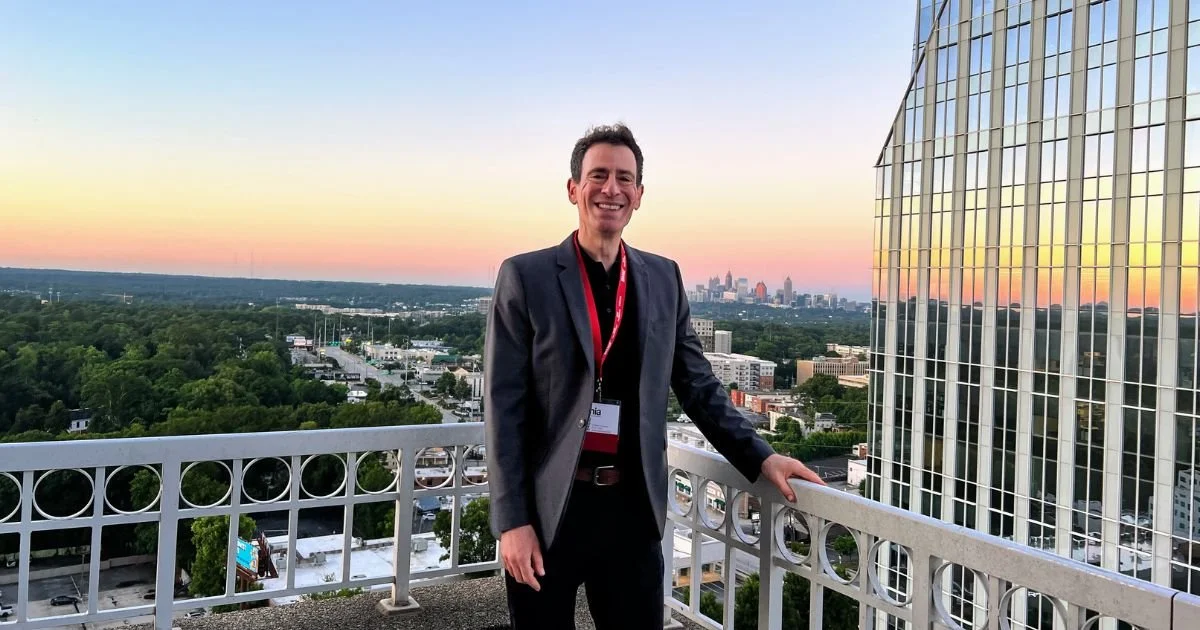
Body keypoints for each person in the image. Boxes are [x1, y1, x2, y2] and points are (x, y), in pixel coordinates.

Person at [484, 123, 824, 629]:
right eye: (598, 175)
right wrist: (512, 521)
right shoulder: (526, 277)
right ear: (573, 188)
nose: (611, 188)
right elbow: (503, 406)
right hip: (550, 509)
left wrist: (762, 456)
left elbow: (697, 384)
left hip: (631, 510)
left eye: (625, 178)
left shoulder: (662, 277)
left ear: (639, 195)